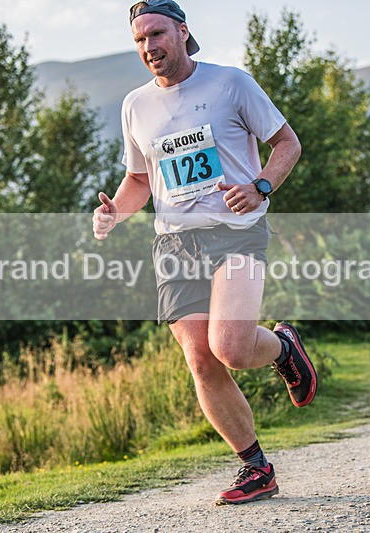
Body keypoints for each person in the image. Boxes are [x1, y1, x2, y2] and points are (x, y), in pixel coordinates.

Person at [92, 0, 317, 506]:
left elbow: (288, 143)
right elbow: (138, 181)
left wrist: (261, 186)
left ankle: (283, 348)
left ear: (181, 31)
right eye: (140, 40)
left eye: (157, 34)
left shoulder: (231, 83)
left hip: (235, 231)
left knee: (232, 348)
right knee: (201, 359)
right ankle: (256, 468)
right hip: (173, 241)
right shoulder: (135, 105)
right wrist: (114, 212)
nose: (149, 46)